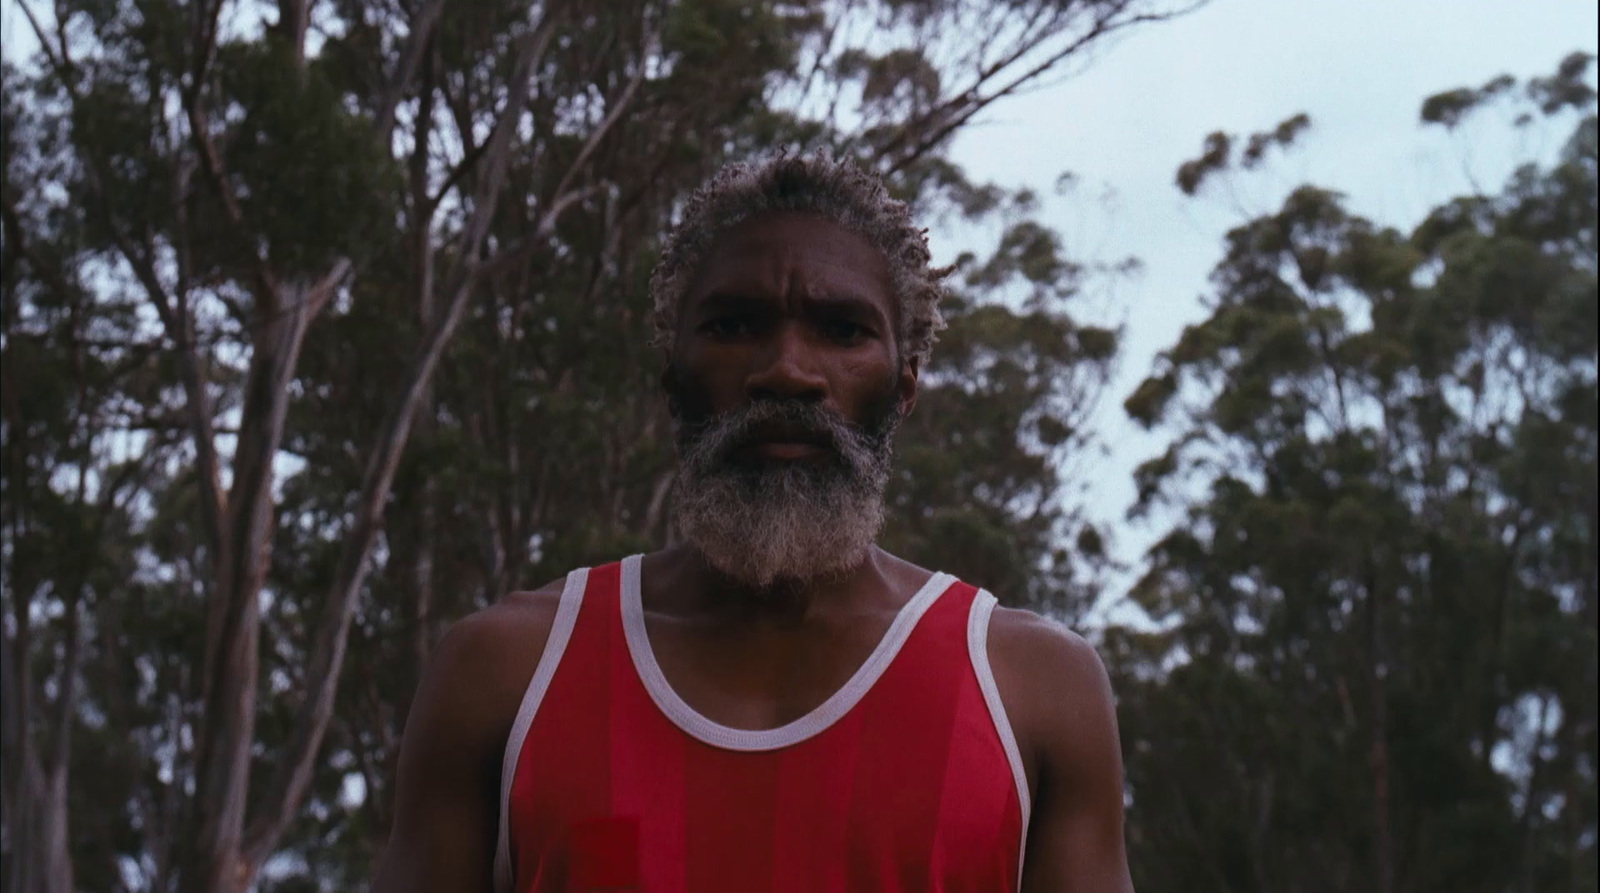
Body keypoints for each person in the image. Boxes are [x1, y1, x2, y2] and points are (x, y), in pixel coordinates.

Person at [371, 155, 1133, 893]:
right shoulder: (504, 672)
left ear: (903, 387)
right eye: (735, 324)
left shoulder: (1034, 690)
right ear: (673, 375)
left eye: (842, 330)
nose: (787, 370)